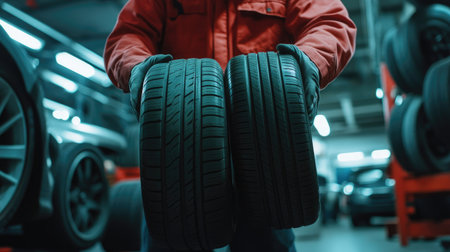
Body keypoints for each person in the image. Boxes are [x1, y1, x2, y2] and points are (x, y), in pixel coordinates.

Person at [104, 1, 356, 251]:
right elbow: (128, 35)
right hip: (179, 162)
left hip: (265, 165)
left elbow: (330, 23)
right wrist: (137, 66)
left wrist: (310, 59)